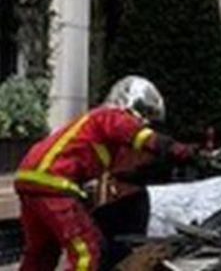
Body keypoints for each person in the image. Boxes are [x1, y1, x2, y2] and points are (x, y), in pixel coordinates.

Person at [14, 76, 196, 271]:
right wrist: (177, 149)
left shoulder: (99, 130)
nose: (145, 122)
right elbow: (141, 137)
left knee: (42, 252)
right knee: (88, 250)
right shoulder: (111, 116)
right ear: (132, 103)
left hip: (30, 180)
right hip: (54, 181)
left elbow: (125, 167)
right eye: (146, 115)